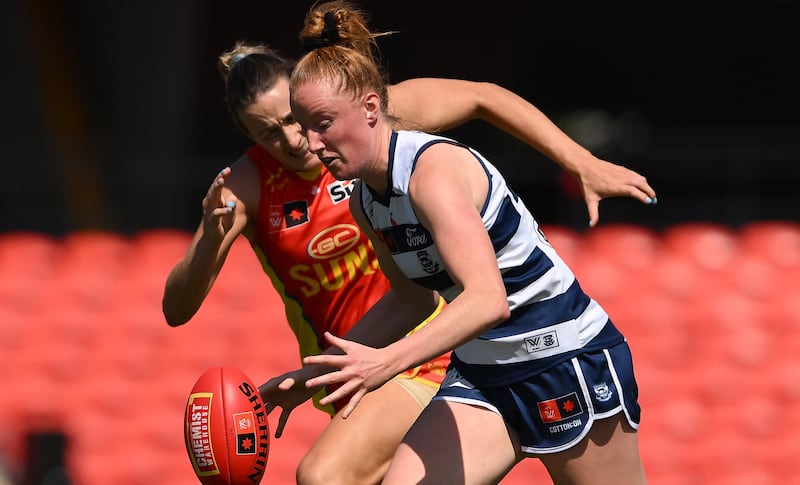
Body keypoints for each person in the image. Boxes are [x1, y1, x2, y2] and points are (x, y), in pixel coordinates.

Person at [163, 9, 655, 485]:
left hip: (558, 357)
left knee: (324, 475)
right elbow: (412, 297)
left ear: (371, 108)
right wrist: (311, 376)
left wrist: (384, 362)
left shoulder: (428, 172)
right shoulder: (364, 198)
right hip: (481, 373)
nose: (307, 144)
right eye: (288, 128)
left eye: (319, 124)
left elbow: (488, 300)